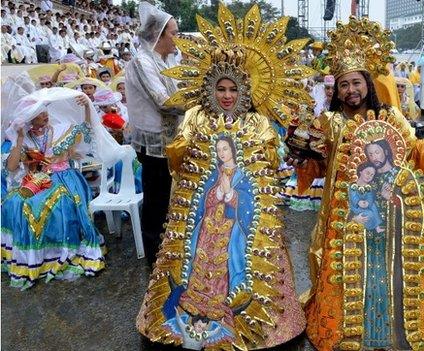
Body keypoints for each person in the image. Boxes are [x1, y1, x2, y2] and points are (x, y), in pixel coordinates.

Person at [136, 5, 308, 349]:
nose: (226, 96)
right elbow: (179, 160)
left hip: (242, 216)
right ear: (211, 89)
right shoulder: (196, 118)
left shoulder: (257, 123)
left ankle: (247, 318)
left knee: (240, 260)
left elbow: (270, 164)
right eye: (220, 89)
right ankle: (189, 316)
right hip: (202, 212)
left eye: (232, 90)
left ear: (244, 91)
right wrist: (197, 151)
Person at [296, 16, 424, 351]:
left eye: (357, 83)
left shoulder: (391, 116)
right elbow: (320, 165)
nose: (351, 90)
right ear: (337, 89)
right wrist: (303, 159)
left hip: (392, 213)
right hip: (346, 215)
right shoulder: (329, 122)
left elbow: (416, 154)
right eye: (344, 84)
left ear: (368, 83)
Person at [1, 87, 121, 289]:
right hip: (35, 180)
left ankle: (54, 252)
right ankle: (33, 257)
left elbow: (88, 129)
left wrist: (86, 108)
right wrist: (20, 138)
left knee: (55, 204)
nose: (44, 115)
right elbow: (12, 167)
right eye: (38, 113)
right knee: (14, 203)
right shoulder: (26, 138)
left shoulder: (61, 129)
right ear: (30, 118)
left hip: (64, 178)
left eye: (45, 111)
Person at [125, 1, 181, 265]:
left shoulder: (164, 60)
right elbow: (164, 101)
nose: (177, 38)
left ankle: (169, 250)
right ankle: (155, 260)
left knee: (172, 197)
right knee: (157, 201)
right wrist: (201, 100)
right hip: (153, 145)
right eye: (173, 33)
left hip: (170, 142)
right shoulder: (142, 61)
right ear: (159, 35)